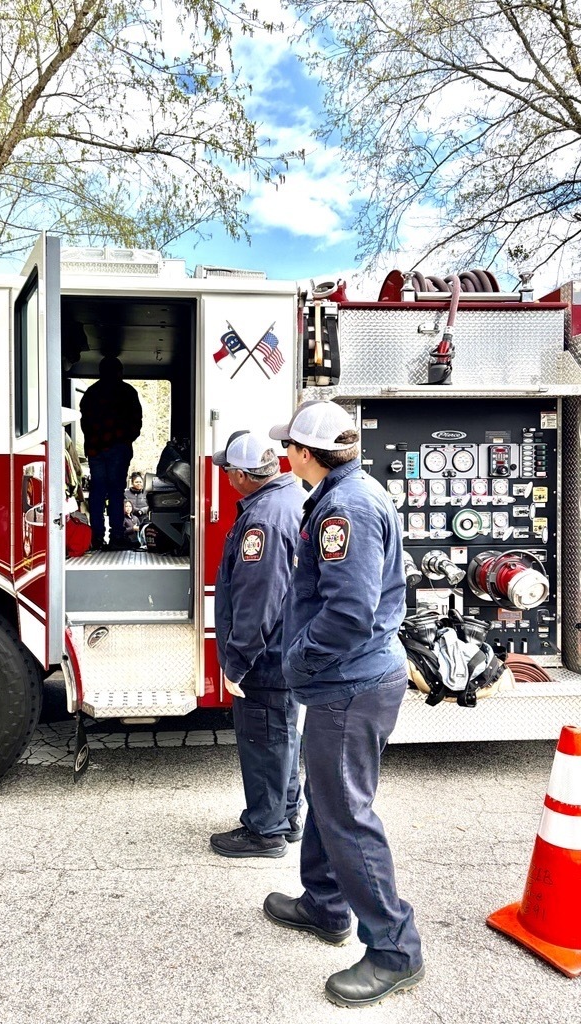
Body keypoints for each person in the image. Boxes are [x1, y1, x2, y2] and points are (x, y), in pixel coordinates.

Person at [262, 399, 424, 1008]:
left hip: (348, 684)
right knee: (332, 799)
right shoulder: (349, 493)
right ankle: (325, 903)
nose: (286, 456)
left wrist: (297, 660)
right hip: (352, 681)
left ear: (306, 454)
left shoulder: (346, 509)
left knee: (347, 814)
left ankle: (394, 949)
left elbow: (350, 613)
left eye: (290, 448)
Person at [209, 430, 304, 859]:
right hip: (286, 648)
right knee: (281, 734)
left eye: (227, 470)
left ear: (244, 475)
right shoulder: (287, 500)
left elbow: (258, 599)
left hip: (265, 655)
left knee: (264, 737)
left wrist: (237, 660)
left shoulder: (263, 519)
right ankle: (286, 816)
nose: (225, 476)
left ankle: (265, 831)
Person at [80, 357, 142, 549]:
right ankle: (117, 536)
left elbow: (85, 423)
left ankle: (96, 537)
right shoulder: (127, 392)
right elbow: (136, 422)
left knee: (97, 492)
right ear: (119, 372)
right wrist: (124, 439)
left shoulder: (91, 393)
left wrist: (95, 441)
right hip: (118, 448)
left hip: (96, 449)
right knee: (116, 492)